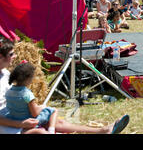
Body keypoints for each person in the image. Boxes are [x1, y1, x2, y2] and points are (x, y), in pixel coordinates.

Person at [0, 39, 129, 134]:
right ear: (1, 57)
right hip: (7, 123)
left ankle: (103, 131)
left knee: (57, 122)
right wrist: (20, 123)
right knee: (42, 131)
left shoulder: (7, 74)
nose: (15, 56)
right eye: (11, 54)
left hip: (14, 116)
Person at [4, 62, 58, 134]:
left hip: (14, 119)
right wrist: (41, 107)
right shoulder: (27, 94)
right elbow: (35, 113)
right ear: (28, 79)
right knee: (53, 110)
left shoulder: (8, 92)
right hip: (28, 122)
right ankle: (51, 131)